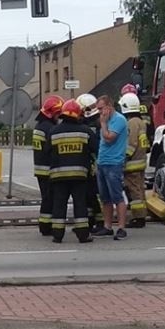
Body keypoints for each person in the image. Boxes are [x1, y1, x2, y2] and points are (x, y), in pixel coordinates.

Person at [49, 99, 97, 244]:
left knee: (59, 205)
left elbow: (46, 153)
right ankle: (83, 235)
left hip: (58, 177)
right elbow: (95, 149)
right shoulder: (85, 131)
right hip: (79, 176)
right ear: (78, 114)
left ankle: (57, 235)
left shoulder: (53, 132)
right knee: (80, 205)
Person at [92, 95, 129, 240]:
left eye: (101, 109)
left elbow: (109, 137)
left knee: (117, 196)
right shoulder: (107, 120)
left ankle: (121, 227)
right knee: (105, 197)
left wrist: (103, 123)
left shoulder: (118, 120)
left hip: (114, 163)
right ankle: (107, 226)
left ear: (109, 106)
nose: (100, 112)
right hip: (103, 162)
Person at [32, 95, 64, 236]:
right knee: (51, 199)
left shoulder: (39, 126)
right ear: (52, 113)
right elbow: (53, 150)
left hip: (40, 169)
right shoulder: (50, 129)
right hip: (49, 169)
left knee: (46, 199)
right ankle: (47, 227)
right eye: (58, 113)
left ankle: (44, 225)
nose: (59, 116)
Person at [119, 93, 150, 228]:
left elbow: (131, 143)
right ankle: (141, 214)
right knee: (140, 190)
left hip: (132, 164)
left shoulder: (131, 123)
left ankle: (139, 218)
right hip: (141, 161)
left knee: (134, 190)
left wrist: (124, 157)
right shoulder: (141, 122)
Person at [75, 93, 104, 231]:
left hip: (92, 164)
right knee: (89, 195)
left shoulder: (90, 125)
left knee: (92, 195)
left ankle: (98, 221)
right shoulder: (98, 122)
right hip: (93, 163)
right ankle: (92, 220)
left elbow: (94, 147)